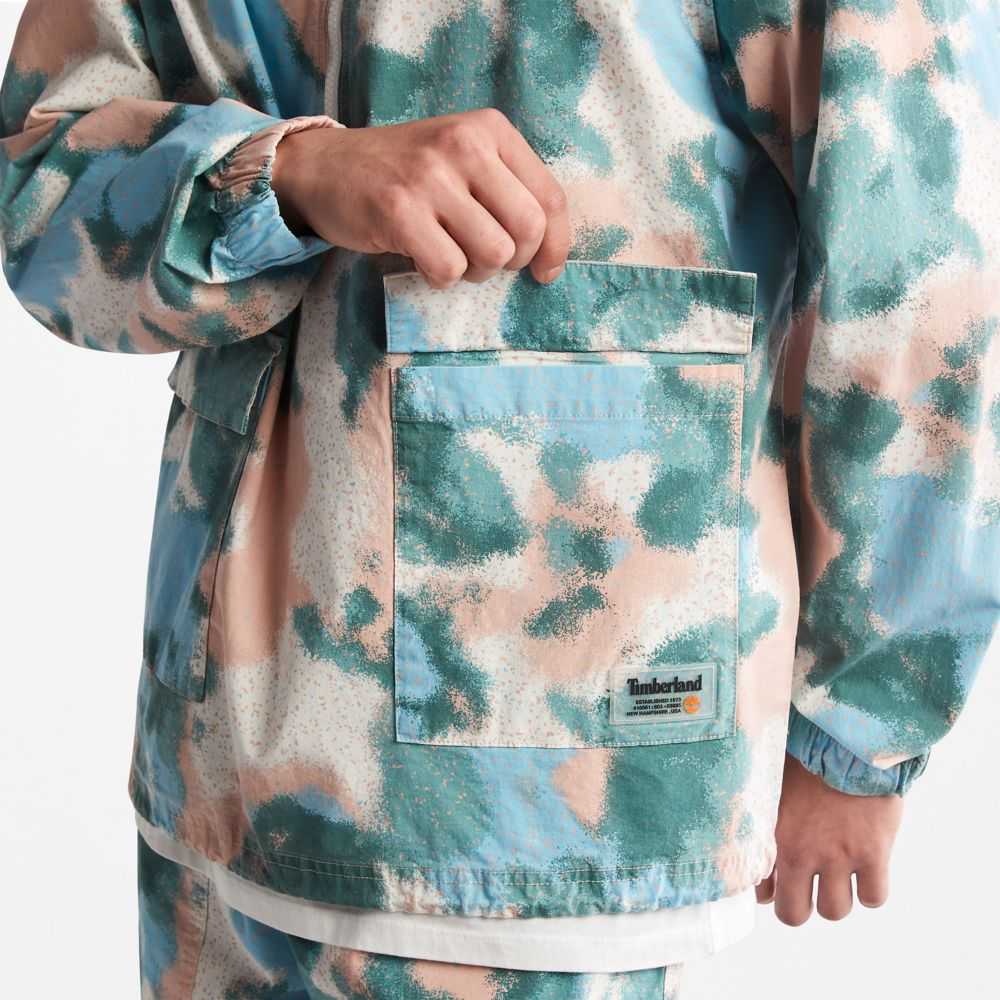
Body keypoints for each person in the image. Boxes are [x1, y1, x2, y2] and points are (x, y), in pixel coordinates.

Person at [1, 1, 996, 997]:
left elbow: (920, 268)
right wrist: (289, 177)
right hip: (215, 766)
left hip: (536, 804)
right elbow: (36, 184)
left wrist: (862, 717)